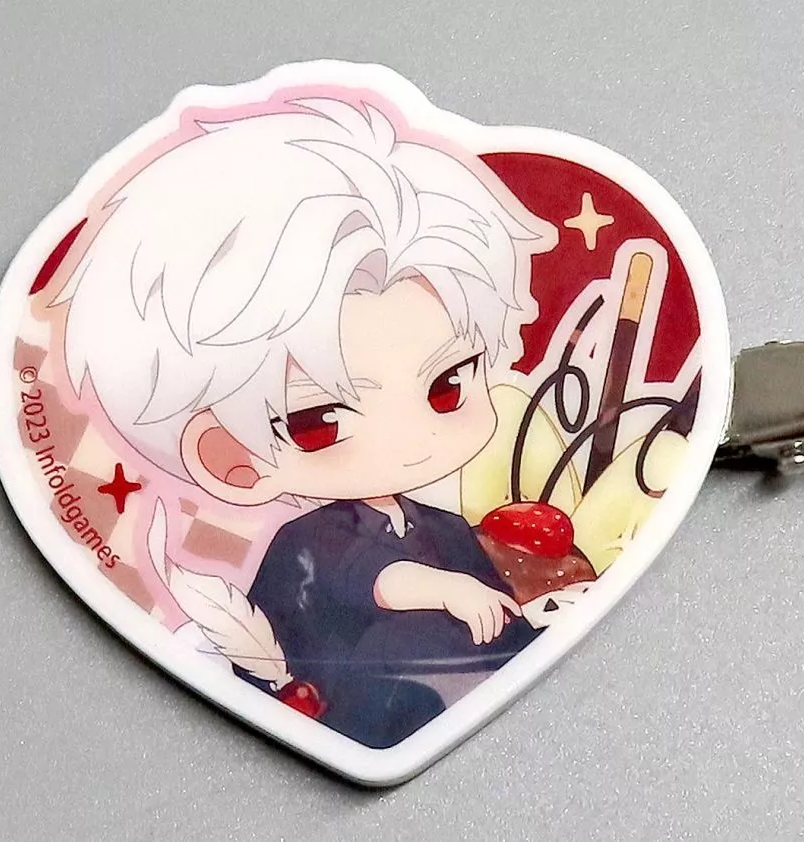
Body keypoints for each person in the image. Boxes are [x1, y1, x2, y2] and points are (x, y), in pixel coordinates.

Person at [56, 96, 558, 746]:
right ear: (232, 459)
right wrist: (443, 590)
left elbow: (506, 616)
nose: (410, 438)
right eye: (323, 420)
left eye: (448, 385)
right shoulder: (310, 539)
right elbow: (366, 578)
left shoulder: (446, 527)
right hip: (358, 707)